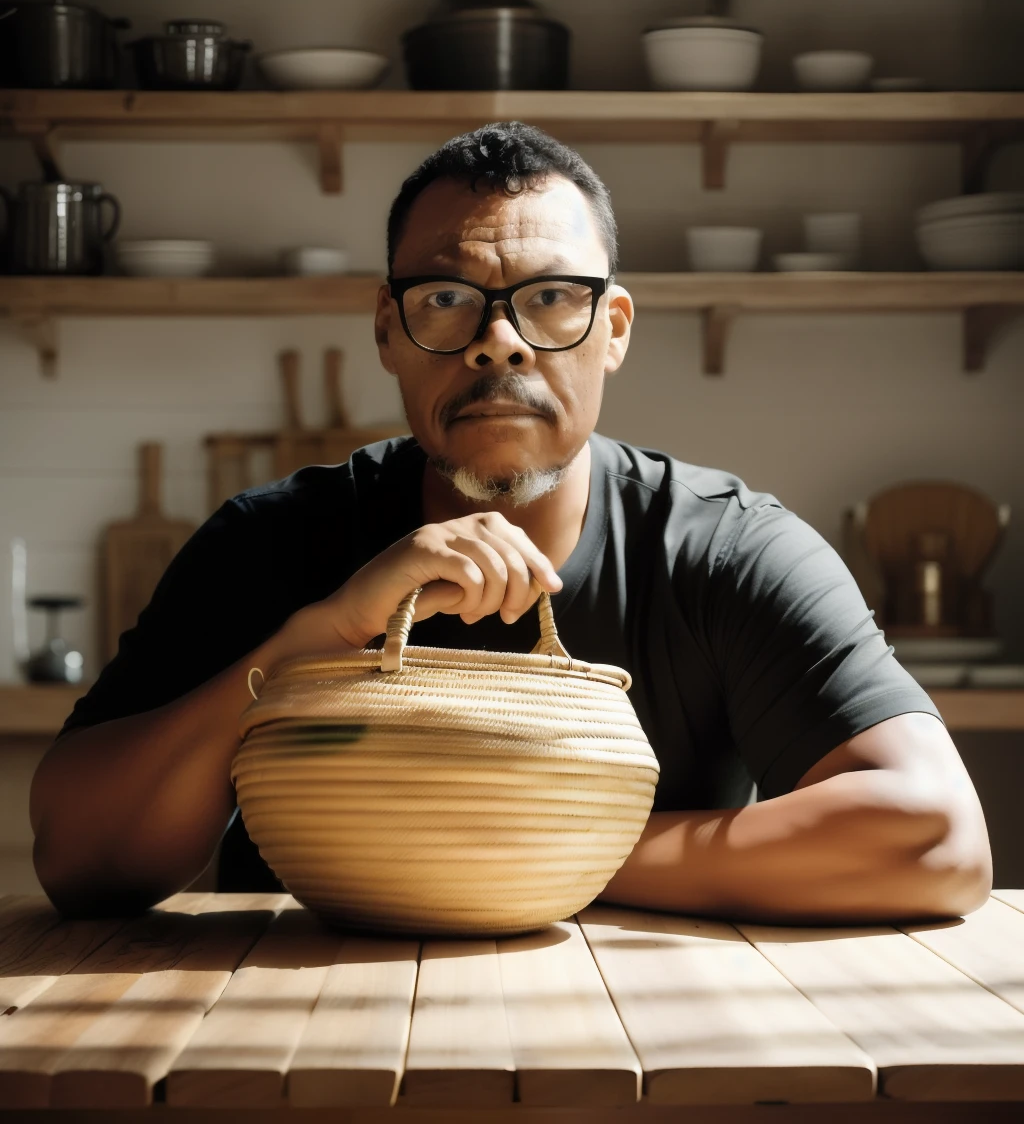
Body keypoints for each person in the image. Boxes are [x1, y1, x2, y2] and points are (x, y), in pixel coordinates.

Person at [31, 124, 991, 921]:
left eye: (550, 300)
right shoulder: (270, 543)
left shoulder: (724, 551)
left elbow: (936, 838)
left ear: (612, 330)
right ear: (387, 332)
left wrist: (525, 856)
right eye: (447, 301)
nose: (500, 342)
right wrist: (313, 640)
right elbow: (78, 858)